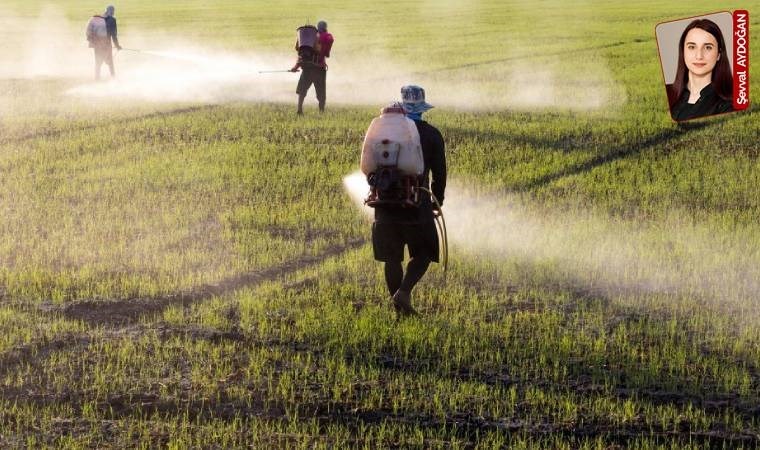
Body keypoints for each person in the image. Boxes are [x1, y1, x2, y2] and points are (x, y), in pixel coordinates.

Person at [372, 85, 446, 318]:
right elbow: (440, 173)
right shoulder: (431, 134)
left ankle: (398, 309)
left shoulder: (384, 132)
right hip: (416, 205)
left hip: (384, 204)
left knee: (392, 258)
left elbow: (370, 166)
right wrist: (437, 200)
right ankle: (403, 293)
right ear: (422, 109)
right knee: (424, 252)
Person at [666, 18, 733, 121]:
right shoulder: (667, 94)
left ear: (719, 54)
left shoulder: (729, 106)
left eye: (708, 47)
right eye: (692, 47)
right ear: (683, 51)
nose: (699, 56)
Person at [290, 21, 334, 114]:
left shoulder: (307, 39)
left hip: (307, 67)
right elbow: (327, 53)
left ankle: (299, 110)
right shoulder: (327, 37)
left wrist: (295, 67)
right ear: (325, 28)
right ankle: (321, 112)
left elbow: (300, 53)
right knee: (321, 92)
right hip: (319, 68)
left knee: (302, 90)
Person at [86, 5, 122, 80]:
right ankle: (113, 77)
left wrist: (93, 42)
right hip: (106, 44)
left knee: (98, 62)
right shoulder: (112, 20)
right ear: (112, 12)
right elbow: (114, 35)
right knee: (110, 62)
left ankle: (97, 78)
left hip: (97, 44)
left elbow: (88, 33)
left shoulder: (95, 19)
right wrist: (117, 45)